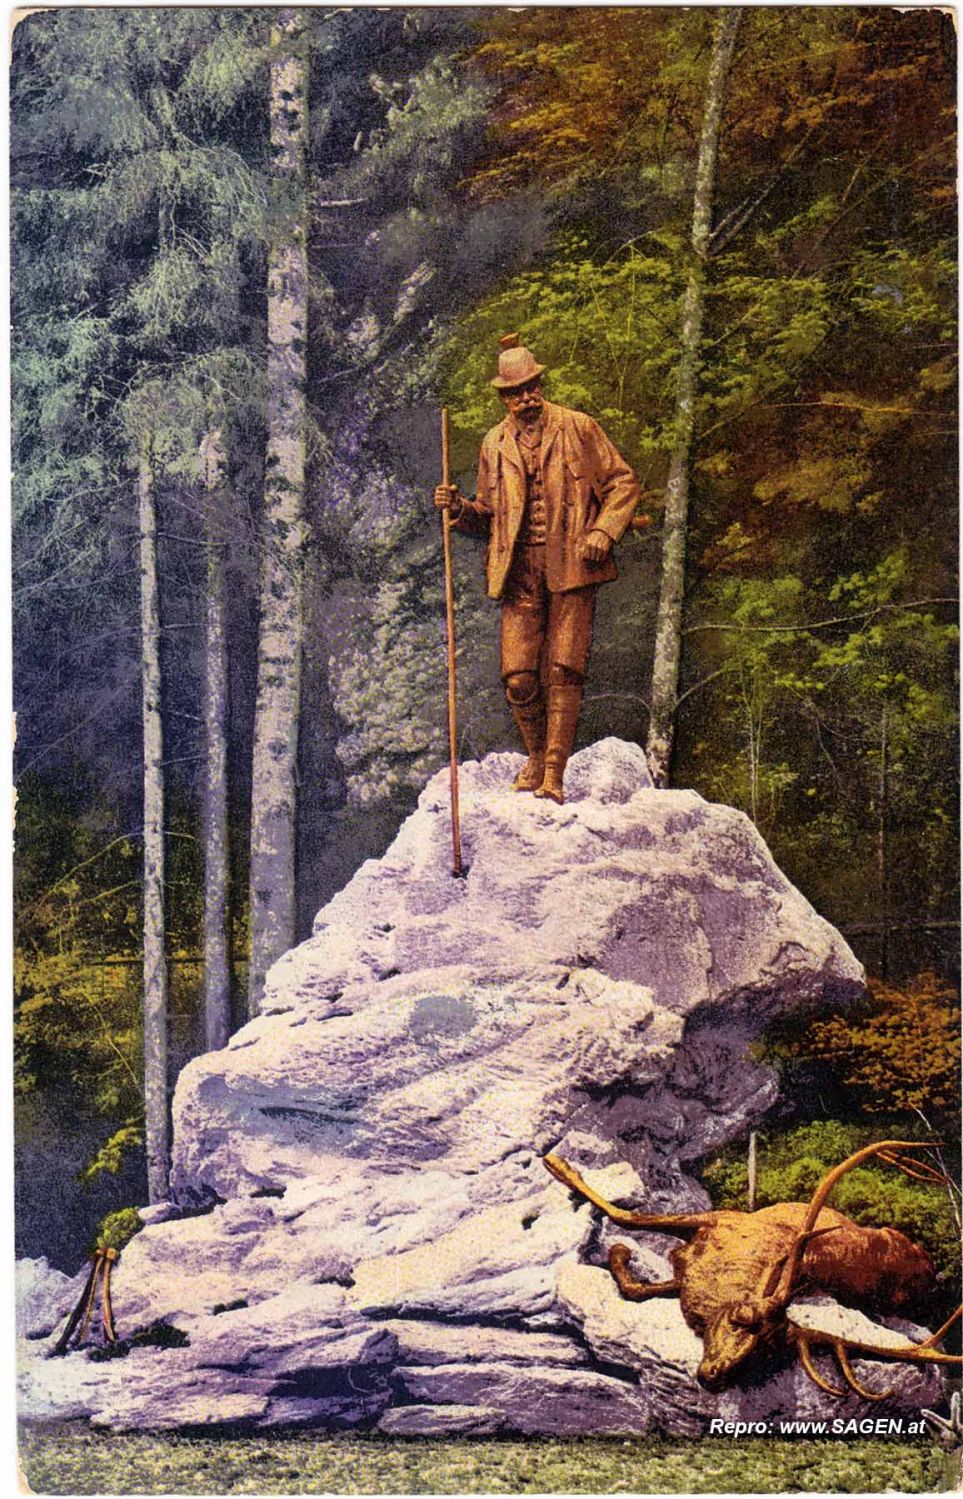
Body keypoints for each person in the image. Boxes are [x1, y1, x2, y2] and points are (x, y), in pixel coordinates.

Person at [435, 334, 641, 804]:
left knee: (565, 670)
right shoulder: (494, 444)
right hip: (519, 570)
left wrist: (603, 532)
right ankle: (534, 756)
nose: (527, 397)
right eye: (516, 391)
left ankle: (554, 773)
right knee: (519, 677)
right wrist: (457, 509)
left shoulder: (578, 427)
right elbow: (487, 516)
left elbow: (623, 482)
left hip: (573, 564)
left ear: (541, 384)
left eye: (533, 386)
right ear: (503, 397)